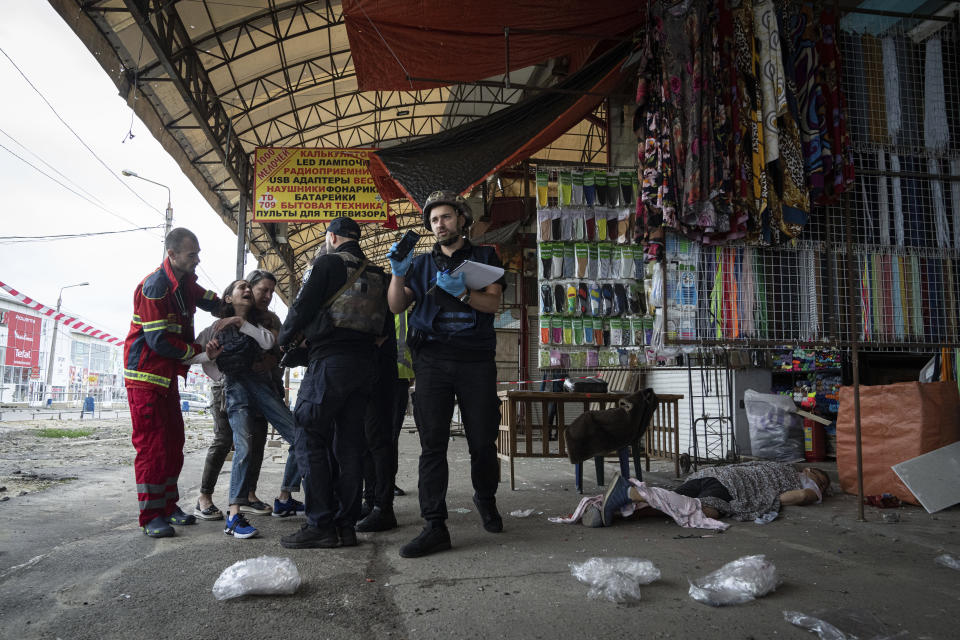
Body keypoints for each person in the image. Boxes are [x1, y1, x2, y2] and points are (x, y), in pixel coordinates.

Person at [387, 190, 506, 558]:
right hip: (433, 361)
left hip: (475, 360)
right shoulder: (420, 265)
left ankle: (485, 498)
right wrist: (397, 274)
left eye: (447, 217)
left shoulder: (486, 257)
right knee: (432, 444)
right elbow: (395, 306)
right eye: (434, 220)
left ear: (461, 219)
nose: (440, 224)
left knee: (483, 440)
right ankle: (434, 524)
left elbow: (493, 303)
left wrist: (466, 295)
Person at [278, 216, 390, 549]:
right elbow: (385, 327)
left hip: (328, 364)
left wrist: (285, 340)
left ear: (332, 237)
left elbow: (301, 307)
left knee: (309, 434)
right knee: (350, 446)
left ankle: (320, 524)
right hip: (364, 367)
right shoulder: (379, 274)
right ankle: (346, 526)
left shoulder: (327, 263)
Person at [124, 227, 223, 538]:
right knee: (152, 447)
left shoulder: (185, 283)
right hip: (145, 378)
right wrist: (198, 352)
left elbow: (210, 301)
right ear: (173, 255)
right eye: (192, 254)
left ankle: (168, 506)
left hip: (164, 378)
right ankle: (151, 515)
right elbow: (158, 342)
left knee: (173, 444)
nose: (198, 259)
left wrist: (234, 307)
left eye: (197, 253)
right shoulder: (155, 287)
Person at [193, 270, 297, 520]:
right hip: (228, 386)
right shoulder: (218, 324)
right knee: (226, 440)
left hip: (261, 386)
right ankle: (206, 497)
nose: (268, 295)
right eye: (264, 290)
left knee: (255, 441)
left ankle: (247, 496)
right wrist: (211, 355)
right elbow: (195, 354)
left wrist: (271, 358)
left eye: (273, 291)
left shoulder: (265, 320)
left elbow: (275, 344)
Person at [598, 462, 832, 527]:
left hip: (708, 474)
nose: (820, 488)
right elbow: (803, 496)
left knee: (674, 506)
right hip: (731, 485)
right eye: (822, 482)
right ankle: (629, 491)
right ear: (810, 472)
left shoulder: (777, 465)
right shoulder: (803, 477)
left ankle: (617, 509)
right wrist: (769, 501)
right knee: (705, 512)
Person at [356, 315, 399, 532]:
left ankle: (383, 508)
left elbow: (381, 332)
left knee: (378, 440)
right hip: (364, 368)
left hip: (380, 369)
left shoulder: (378, 288)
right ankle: (371, 501)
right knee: (366, 441)